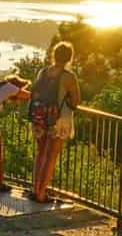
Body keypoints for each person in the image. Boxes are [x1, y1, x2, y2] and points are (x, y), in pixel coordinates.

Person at [30, 42, 83, 203]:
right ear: (69, 58)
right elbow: (76, 101)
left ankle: (35, 189)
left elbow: (35, 93)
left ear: (54, 54)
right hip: (57, 120)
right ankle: (41, 193)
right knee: (51, 155)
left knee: (40, 154)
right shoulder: (69, 77)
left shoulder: (43, 72)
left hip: (39, 117)